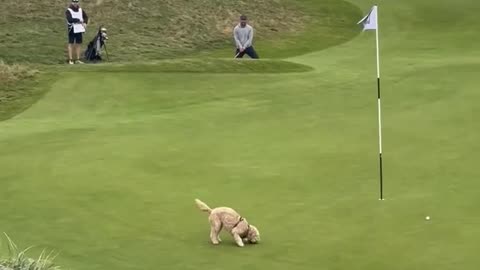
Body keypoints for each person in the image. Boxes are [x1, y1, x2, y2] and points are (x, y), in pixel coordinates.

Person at [65, 0, 89, 64]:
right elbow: (70, 19)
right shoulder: (68, 10)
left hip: (79, 29)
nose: (75, 3)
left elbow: (86, 17)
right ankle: (70, 59)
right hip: (72, 28)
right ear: (72, 2)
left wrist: (85, 23)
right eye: (74, 2)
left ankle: (78, 59)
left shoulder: (80, 10)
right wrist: (79, 20)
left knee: (78, 43)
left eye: (76, 2)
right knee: (71, 43)